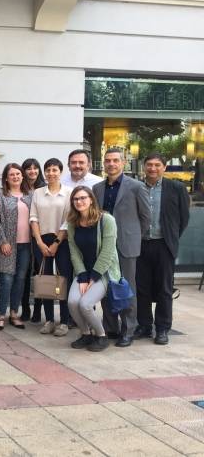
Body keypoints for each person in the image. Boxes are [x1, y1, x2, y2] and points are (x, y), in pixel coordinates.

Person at [92, 148, 150, 347]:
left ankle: (128, 329)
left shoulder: (136, 186)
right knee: (106, 288)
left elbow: (146, 217)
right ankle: (111, 328)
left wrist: (134, 238)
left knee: (126, 288)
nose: (111, 164)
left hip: (126, 246)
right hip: (103, 247)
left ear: (123, 163)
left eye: (115, 160)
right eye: (108, 160)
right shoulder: (97, 188)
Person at [136, 153, 190, 345]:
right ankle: (143, 325)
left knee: (164, 289)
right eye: (149, 165)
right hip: (140, 244)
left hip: (164, 245)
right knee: (141, 288)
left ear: (164, 167)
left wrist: (171, 238)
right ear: (144, 167)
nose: (152, 168)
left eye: (157, 165)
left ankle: (162, 329)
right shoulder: (136, 187)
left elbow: (184, 218)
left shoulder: (176, 188)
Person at [67, 186, 119, 352]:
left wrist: (93, 277)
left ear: (91, 200)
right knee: (72, 302)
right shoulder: (72, 223)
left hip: (102, 273)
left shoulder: (106, 220)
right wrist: (82, 276)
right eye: (76, 199)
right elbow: (74, 251)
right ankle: (85, 334)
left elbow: (108, 252)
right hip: (83, 272)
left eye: (83, 198)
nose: (79, 201)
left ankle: (101, 336)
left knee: (86, 304)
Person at [29, 158, 73, 337]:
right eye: (47, 170)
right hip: (41, 240)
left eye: (54, 170)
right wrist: (39, 242)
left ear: (61, 172)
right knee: (46, 280)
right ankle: (48, 320)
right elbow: (33, 218)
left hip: (62, 240)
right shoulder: (38, 193)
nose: (50, 173)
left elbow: (68, 221)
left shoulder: (69, 193)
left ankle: (64, 321)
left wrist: (56, 243)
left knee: (63, 280)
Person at [0, 163, 32, 330]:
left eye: (18, 174)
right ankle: (1, 314)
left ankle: (14, 313)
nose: (15, 177)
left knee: (20, 279)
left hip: (26, 245)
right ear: (6, 178)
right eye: (12, 175)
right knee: (6, 279)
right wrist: (3, 241)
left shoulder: (30, 195)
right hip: (7, 245)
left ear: (22, 176)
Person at [20, 158, 46, 322]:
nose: (32, 171)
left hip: (40, 237)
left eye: (35, 168)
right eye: (29, 168)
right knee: (23, 274)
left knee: (39, 274)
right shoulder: (19, 189)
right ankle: (25, 308)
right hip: (22, 237)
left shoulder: (43, 188)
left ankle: (38, 309)